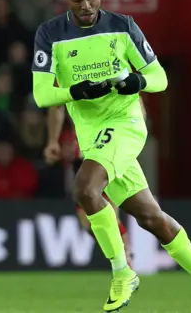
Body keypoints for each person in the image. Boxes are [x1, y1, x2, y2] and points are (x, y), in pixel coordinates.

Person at [31, 0, 191, 313]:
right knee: (150, 217)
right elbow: (43, 95)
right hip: (93, 136)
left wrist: (137, 82)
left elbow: (160, 77)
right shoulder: (49, 35)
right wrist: (77, 92)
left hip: (125, 125)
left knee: (85, 189)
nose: (86, 6)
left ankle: (123, 272)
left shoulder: (123, 27)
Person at [44, 105, 132, 267]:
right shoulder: (69, 135)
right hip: (82, 181)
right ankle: (120, 253)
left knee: (112, 218)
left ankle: (126, 256)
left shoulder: (101, 126)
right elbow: (67, 157)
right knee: (88, 225)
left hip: (103, 178)